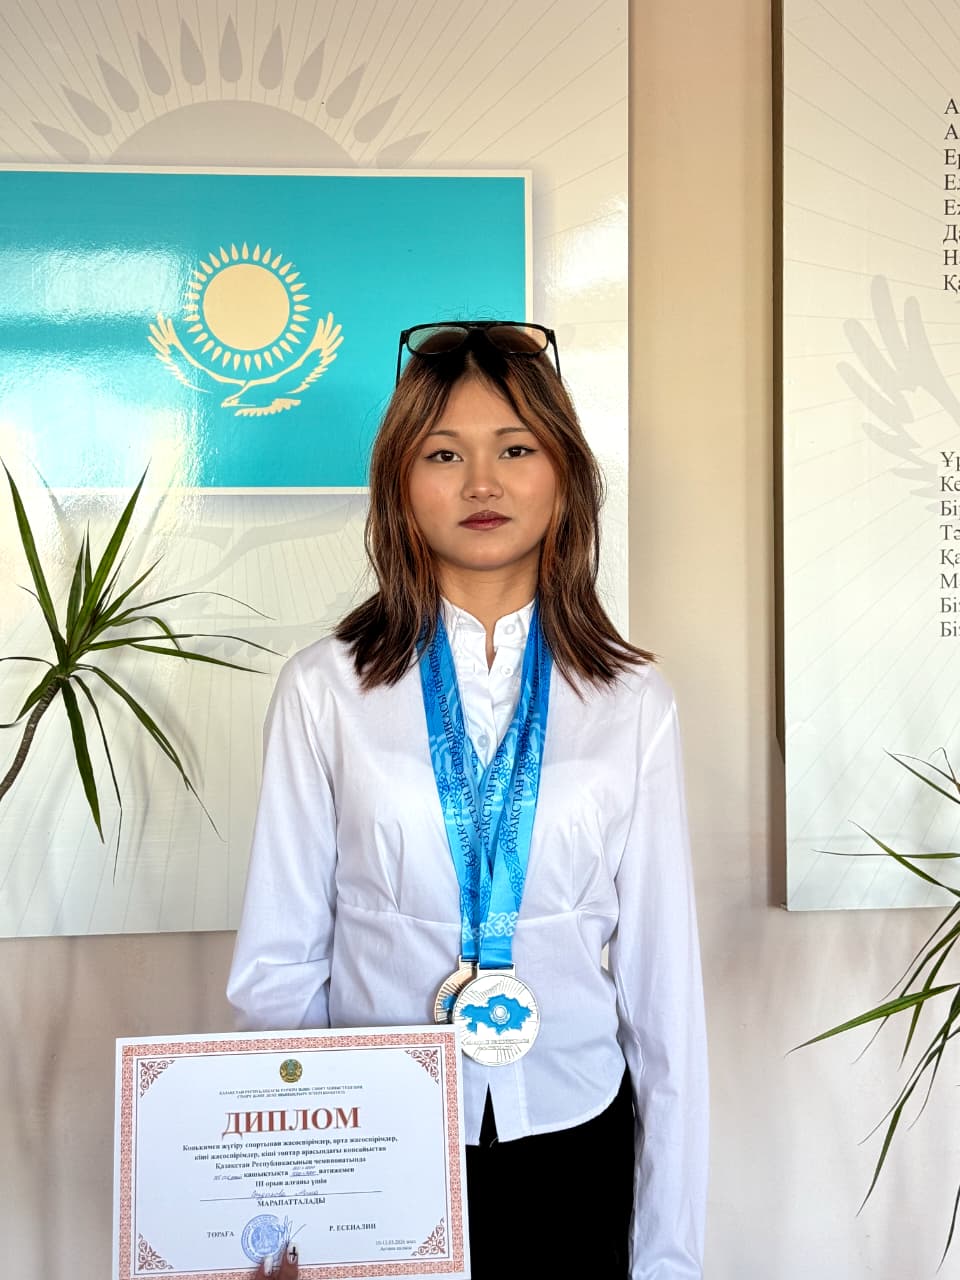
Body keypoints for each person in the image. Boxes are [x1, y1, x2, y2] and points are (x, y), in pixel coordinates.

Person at [227, 320, 708, 1279]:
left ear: (564, 475)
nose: (482, 483)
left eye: (515, 449)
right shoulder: (327, 688)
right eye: (444, 454)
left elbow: (665, 993)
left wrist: (668, 1254)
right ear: (400, 485)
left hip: (575, 1132)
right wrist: (283, 1206)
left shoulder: (631, 700)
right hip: (370, 1143)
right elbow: (279, 968)